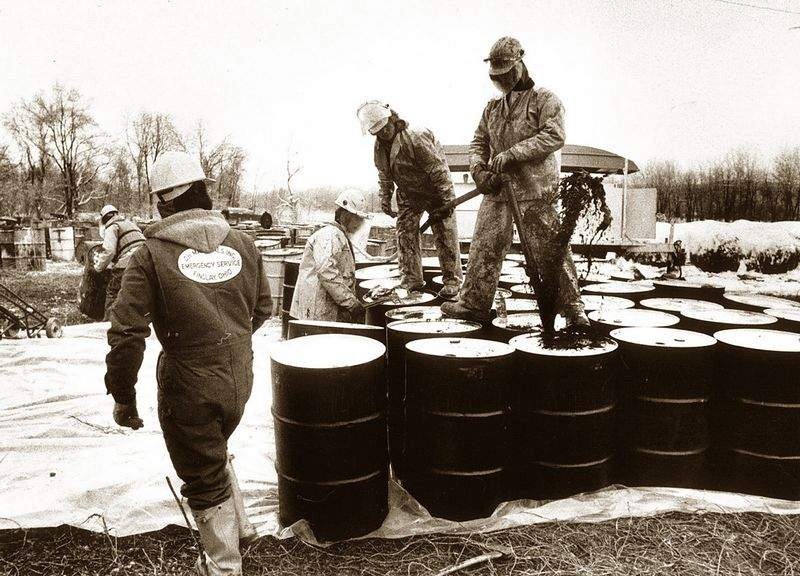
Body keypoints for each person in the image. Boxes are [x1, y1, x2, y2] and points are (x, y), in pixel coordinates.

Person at [104, 150, 272, 576]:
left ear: (164, 201)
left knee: (202, 472)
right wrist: (229, 343)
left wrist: (123, 395)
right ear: (202, 191)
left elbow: (126, 334)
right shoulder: (244, 244)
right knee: (215, 449)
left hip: (189, 384)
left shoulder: (149, 256)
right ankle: (244, 530)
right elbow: (263, 309)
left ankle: (223, 566)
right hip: (240, 376)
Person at [442, 37, 590, 331]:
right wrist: (478, 170)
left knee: (551, 252)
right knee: (484, 246)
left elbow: (554, 136)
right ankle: (473, 304)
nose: (501, 81)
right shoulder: (493, 108)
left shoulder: (544, 100)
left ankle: (573, 308)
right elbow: (479, 142)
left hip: (535, 192)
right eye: (496, 76)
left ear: (519, 65)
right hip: (498, 191)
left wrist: (512, 153)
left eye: (506, 74)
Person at [358, 101, 462, 299]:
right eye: (378, 131)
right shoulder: (380, 148)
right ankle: (412, 282)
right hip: (409, 194)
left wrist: (448, 200)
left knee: (445, 234)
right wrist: (385, 198)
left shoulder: (416, 136)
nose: (384, 133)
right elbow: (384, 175)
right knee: (405, 234)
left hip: (434, 192)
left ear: (392, 118)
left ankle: (452, 282)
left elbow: (438, 170)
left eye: (385, 127)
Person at [290, 189, 368, 322]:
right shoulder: (330, 235)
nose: (359, 223)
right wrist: (351, 303)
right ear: (345, 215)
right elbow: (326, 271)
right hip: (317, 310)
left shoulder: (339, 235)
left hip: (325, 309)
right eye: (357, 218)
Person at [94, 204, 145, 319]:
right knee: (137, 293)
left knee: (113, 291)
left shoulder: (112, 227)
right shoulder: (130, 224)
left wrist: (98, 267)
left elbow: (109, 251)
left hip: (128, 262)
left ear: (104, 218)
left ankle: (109, 322)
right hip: (145, 261)